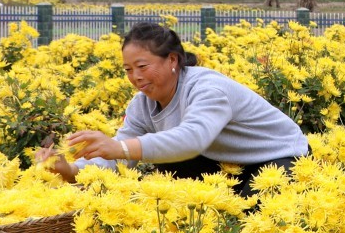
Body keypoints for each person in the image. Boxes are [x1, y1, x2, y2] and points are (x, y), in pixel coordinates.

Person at [37, 23, 309, 193]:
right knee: (170, 170)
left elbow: (192, 139)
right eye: (128, 70)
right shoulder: (142, 104)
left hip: (279, 157)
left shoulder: (207, 88)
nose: (136, 77)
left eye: (143, 66)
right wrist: (70, 169)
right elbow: (122, 154)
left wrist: (120, 147)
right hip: (227, 161)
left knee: (255, 209)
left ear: (172, 60)